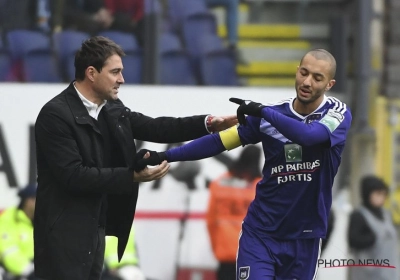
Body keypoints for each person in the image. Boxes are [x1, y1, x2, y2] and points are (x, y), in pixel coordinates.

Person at [135, 48, 352, 279]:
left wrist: (263, 111)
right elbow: (218, 142)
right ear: (297, 71)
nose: (307, 82)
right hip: (261, 233)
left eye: (317, 78)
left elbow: (308, 136)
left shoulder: (336, 113)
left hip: (305, 237)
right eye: (304, 73)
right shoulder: (271, 116)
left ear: (329, 84)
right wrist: (164, 156)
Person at [33, 35, 237, 280]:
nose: (122, 79)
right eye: (115, 72)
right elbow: (73, 176)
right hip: (61, 236)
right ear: (91, 73)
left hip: (94, 231)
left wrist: (208, 124)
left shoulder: (111, 108)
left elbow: (157, 128)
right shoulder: (55, 115)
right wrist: (131, 176)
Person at [206, 146, 261, 280]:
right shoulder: (261, 186)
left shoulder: (219, 183)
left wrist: (217, 247)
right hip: (252, 252)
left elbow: (211, 220)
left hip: (225, 250)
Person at [347, 175, 400, 280]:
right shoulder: (359, 216)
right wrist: (374, 238)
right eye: (378, 194)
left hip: (390, 273)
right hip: (368, 274)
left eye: (384, 194)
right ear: (368, 194)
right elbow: (353, 241)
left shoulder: (386, 214)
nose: (381, 197)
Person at [0, 184, 38, 280]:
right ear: (28, 201)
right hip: (18, 274)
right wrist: (30, 271)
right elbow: (8, 252)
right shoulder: (8, 219)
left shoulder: (44, 219)